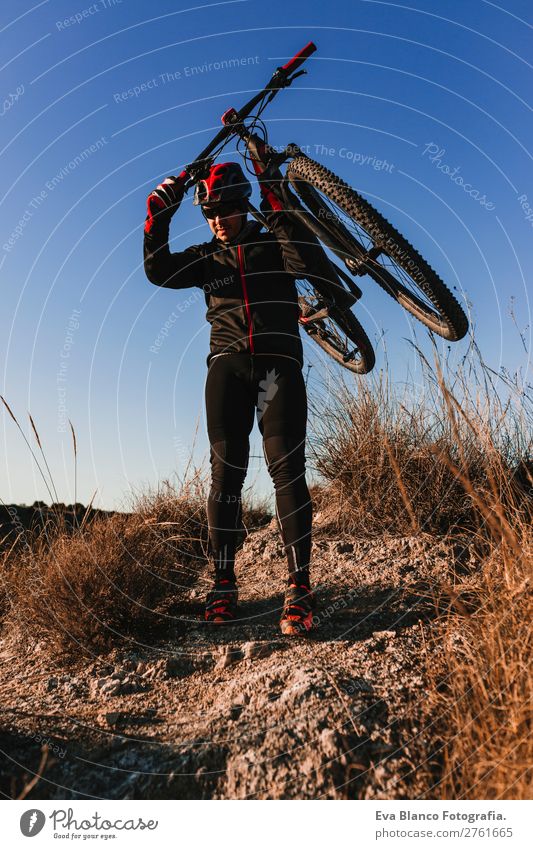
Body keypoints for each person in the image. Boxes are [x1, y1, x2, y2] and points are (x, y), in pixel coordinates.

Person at [143, 161, 337, 635]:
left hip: (278, 365)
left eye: (227, 209)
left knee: (286, 468)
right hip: (226, 367)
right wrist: (157, 218)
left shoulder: (272, 243)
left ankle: (299, 589)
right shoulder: (207, 258)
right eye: (210, 212)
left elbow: (308, 259)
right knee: (226, 475)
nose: (218, 219)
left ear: (243, 204)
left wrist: (274, 196)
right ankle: (223, 584)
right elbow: (158, 272)